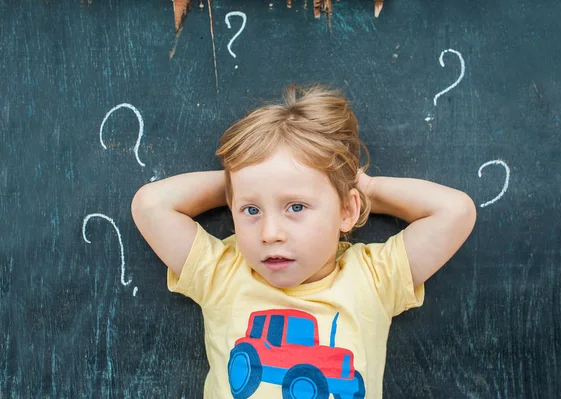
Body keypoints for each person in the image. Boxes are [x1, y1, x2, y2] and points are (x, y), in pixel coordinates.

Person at [131, 84, 476, 399]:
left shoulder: (373, 278)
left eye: (295, 206)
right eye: (251, 210)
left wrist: (361, 187)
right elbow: (151, 205)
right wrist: (239, 180)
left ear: (346, 211)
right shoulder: (223, 274)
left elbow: (455, 211)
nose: (270, 233)